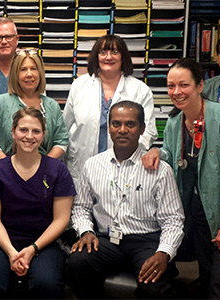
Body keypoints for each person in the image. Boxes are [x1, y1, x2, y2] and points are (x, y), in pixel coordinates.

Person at [142, 58, 220, 299]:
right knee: (209, 277)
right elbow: (174, 154)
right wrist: (158, 152)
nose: (176, 92)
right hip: (203, 213)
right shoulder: (175, 121)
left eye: (184, 85)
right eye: (171, 86)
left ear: (201, 86)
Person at [66, 101, 184, 299]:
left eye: (130, 124)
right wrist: (86, 231)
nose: (122, 130)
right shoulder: (92, 165)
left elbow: (173, 219)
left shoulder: (161, 170)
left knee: (153, 286)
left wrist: (164, 253)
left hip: (147, 241)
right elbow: (81, 207)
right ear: (109, 127)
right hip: (106, 239)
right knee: (77, 264)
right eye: (116, 124)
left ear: (142, 129)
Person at [0, 107, 76, 299]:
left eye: (36, 131)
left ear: (44, 135)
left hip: (44, 243)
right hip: (2, 241)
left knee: (47, 283)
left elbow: (61, 219)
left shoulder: (57, 170)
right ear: (13, 132)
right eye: (23, 130)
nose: (29, 136)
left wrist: (32, 249)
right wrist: (12, 252)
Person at [63, 34, 158, 184]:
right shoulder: (79, 86)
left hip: (125, 167)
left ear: (123, 57)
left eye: (114, 52)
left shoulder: (140, 90)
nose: (108, 57)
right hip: (80, 166)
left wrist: (131, 153)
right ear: (96, 56)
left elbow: (149, 131)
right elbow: (65, 127)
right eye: (103, 52)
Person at [0, 49, 69, 160]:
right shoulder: (1, 103)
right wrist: (7, 164)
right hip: (7, 172)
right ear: (15, 73)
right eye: (23, 69)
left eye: (33, 69)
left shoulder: (52, 106)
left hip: (44, 173)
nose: (29, 74)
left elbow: (61, 141)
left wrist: (43, 166)